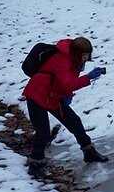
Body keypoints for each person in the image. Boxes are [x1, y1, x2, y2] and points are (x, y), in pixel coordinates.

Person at [22, 36, 108, 175]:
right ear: (76, 53)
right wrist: (88, 77)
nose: (86, 58)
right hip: (37, 94)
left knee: (74, 122)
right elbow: (67, 84)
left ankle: (89, 152)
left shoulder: (74, 61)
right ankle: (35, 165)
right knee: (43, 132)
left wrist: (67, 95)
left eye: (88, 55)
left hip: (53, 97)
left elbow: (64, 83)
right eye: (84, 55)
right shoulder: (62, 60)